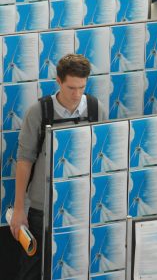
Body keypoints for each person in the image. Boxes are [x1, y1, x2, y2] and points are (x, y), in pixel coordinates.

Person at [10, 54, 107, 280]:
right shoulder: (38, 112)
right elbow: (24, 161)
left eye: (81, 87)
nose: (76, 94)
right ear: (58, 81)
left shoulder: (94, 108)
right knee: (33, 269)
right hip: (41, 208)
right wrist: (18, 209)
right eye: (71, 87)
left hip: (81, 206)